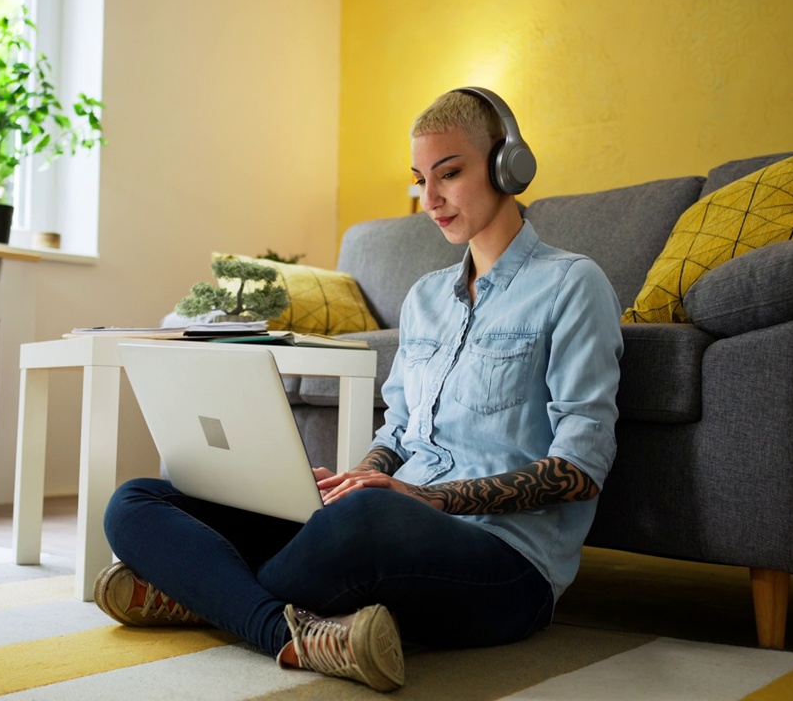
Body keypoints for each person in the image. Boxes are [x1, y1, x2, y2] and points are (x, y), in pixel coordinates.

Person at [95, 88, 623, 692]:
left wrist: (426, 500)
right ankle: (288, 633)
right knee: (136, 499)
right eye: (421, 180)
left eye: (449, 174)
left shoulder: (572, 284)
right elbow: (397, 430)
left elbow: (581, 468)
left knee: (371, 517)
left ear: (508, 165)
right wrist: (355, 480)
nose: (431, 200)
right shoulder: (425, 298)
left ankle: (196, 590)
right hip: (384, 526)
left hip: (506, 565)